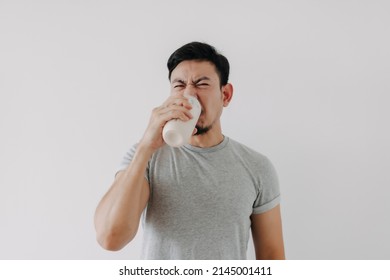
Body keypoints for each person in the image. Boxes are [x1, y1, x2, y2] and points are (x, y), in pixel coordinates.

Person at [94, 42, 285, 260]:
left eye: (201, 84)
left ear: (225, 95)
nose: (189, 94)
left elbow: (272, 257)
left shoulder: (257, 167)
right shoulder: (146, 157)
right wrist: (146, 146)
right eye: (179, 85)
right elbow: (111, 238)